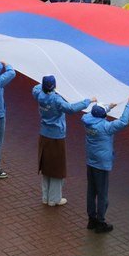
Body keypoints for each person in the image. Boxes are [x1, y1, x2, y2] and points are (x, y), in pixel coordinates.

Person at [33, 76, 93, 207]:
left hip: (44, 135)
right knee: (57, 168)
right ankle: (54, 199)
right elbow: (71, 109)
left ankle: (45, 197)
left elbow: (36, 87)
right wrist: (88, 101)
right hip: (56, 137)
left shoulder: (39, 94)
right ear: (54, 86)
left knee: (46, 167)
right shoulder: (57, 100)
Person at [83, 97, 129, 234]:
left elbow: (94, 113)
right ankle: (101, 222)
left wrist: (109, 107)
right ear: (103, 115)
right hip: (102, 164)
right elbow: (123, 121)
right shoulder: (106, 127)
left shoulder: (87, 120)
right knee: (102, 194)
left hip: (91, 161)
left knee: (91, 191)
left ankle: (91, 219)